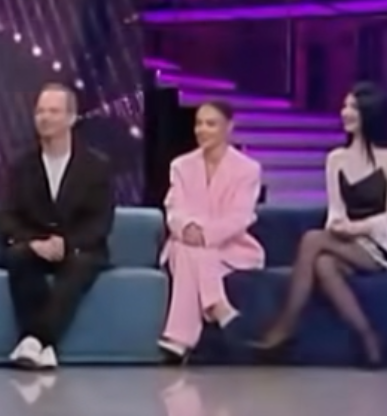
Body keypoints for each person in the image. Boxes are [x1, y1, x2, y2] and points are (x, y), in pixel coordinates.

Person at [254, 82, 387, 367]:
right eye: (345, 106)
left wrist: (357, 228)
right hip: (352, 243)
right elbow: (336, 210)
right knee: (323, 263)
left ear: (370, 112)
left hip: (381, 245)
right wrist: (337, 226)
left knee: (312, 240)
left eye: (353, 107)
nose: (345, 112)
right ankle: (367, 337)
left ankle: (285, 326)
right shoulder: (336, 159)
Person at [0, 82, 115, 370]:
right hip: (34, 244)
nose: (45, 118)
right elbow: (5, 216)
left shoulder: (96, 166)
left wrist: (67, 243)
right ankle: (45, 348)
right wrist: (34, 242)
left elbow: (100, 220)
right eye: (40, 111)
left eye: (53, 111)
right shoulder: (20, 165)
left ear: (71, 118)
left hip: (79, 248)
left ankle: (35, 340)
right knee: (19, 257)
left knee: (79, 265)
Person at [159, 100, 264, 362]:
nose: (202, 130)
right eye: (198, 124)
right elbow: (173, 208)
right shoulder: (181, 166)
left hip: (230, 247)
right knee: (188, 248)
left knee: (190, 250)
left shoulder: (248, 169)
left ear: (229, 127)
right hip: (185, 239)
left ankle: (179, 339)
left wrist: (204, 235)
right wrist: (187, 228)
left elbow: (240, 217)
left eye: (211, 124)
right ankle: (218, 306)